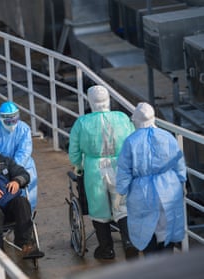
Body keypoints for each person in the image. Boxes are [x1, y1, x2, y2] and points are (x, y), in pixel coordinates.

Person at [68, 85, 137, 260]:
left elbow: (74, 152)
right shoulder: (121, 117)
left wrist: (78, 165)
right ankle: (129, 242)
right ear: (108, 100)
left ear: (89, 101)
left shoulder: (82, 123)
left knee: (99, 208)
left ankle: (106, 249)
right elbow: (133, 140)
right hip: (120, 165)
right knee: (122, 205)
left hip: (94, 168)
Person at [116, 102, 187, 256]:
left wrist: (120, 192)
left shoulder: (131, 141)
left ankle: (153, 265)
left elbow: (124, 170)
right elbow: (179, 163)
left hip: (142, 192)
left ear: (136, 120)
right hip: (169, 188)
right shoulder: (167, 136)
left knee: (145, 229)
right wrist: (182, 182)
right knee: (167, 227)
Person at [0, 101, 38, 212]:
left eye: (14, 120)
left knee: (27, 201)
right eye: (8, 121)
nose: (11, 124)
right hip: (1, 169)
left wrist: (13, 170)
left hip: (23, 168)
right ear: (1, 119)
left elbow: (24, 152)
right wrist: (4, 170)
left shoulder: (24, 129)